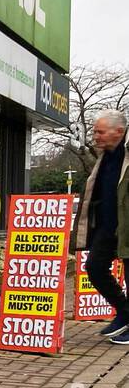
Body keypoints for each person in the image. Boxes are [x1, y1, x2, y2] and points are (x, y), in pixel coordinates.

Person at [73, 109, 129, 343]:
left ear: (119, 131)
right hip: (107, 225)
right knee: (95, 268)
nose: (96, 136)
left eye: (100, 132)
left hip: (127, 225)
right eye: (95, 131)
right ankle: (125, 312)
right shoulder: (105, 155)